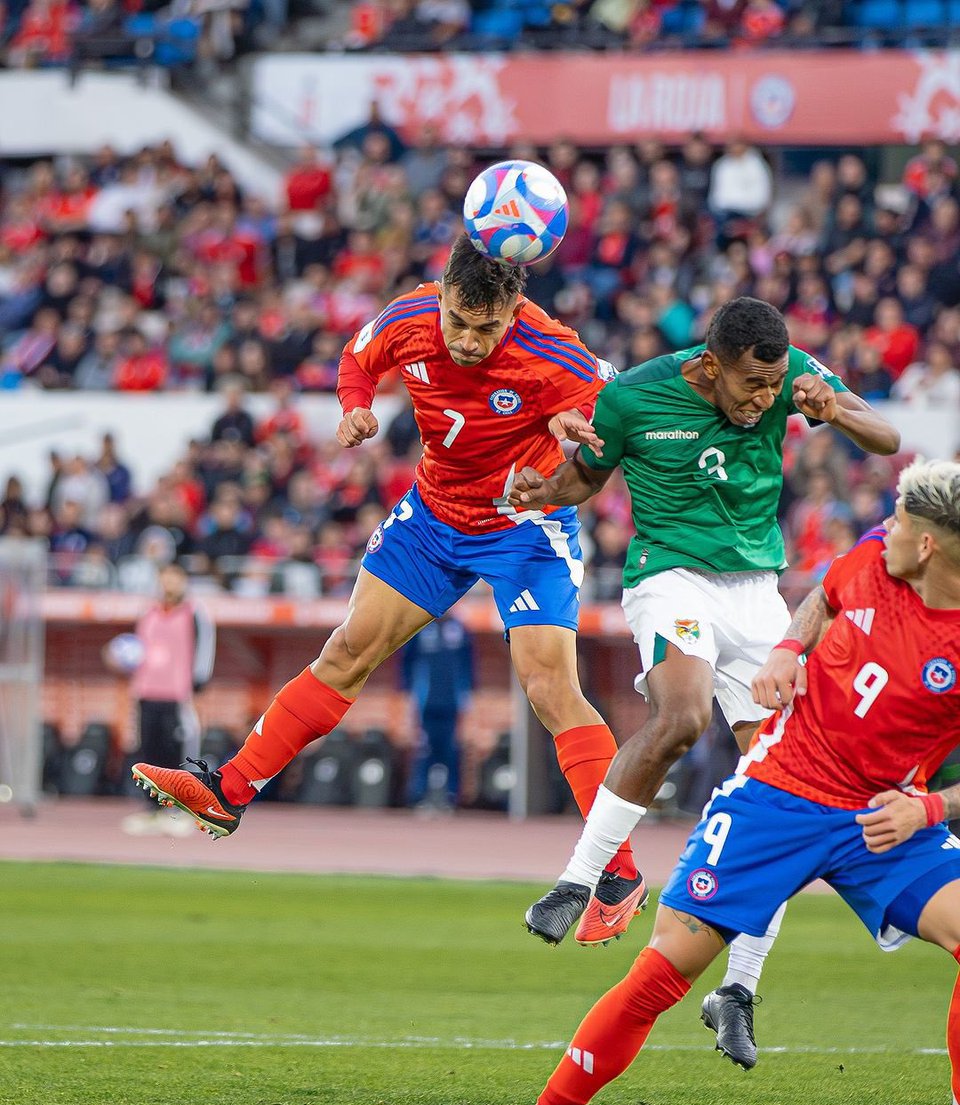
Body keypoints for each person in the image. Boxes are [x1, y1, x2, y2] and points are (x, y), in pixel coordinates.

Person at [445, 459, 960, 1105]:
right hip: (778, 795)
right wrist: (788, 649)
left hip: (886, 815)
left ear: (930, 546)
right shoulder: (881, 551)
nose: (886, 529)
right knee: (663, 972)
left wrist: (930, 808)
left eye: (901, 523)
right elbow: (824, 595)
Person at [131, 234, 647, 943]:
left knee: (550, 688)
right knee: (346, 652)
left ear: (514, 311)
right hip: (432, 516)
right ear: (442, 295)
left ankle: (618, 873)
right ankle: (228, 792)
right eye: (458, 321)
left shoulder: (557, 352)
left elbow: (615, 430)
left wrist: (568, 448)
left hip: (524, 526)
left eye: (487, 329)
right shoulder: (408, 316)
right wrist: (355, 404)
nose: (468, 342)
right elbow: (357, 357)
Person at [516, 296, 899, 1066]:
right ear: (709, 364)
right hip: (671, 580)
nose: (765, 399)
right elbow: (583, 479)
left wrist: (833, 408)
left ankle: (739, 989)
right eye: (752, 384)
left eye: (774, 384)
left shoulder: (792, 376)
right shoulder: (633, 396)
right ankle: (581, 879)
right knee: (683, 718)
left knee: (791, 791)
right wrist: (540, 491)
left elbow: (885, 438)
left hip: (757, 596)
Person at [121, 562, 216, 836]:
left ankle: (181, 810)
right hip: (147, 691)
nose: (169, 583)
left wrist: (197, 681)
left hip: (177, 694)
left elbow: (204, 647)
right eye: (164, 578)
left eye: (174, 578)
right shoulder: (148, 612)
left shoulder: (194, 612)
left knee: (178, 753)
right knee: (148, 753)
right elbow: (137, 648)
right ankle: (152, 808)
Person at [401, 612, 474, 810]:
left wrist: (467, 694)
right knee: (424, 748)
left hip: (451, 701)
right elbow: (407, 662)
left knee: (451, 748)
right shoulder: (421, 627)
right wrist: (408, 693)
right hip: (426, 701)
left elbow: (468, 663)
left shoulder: (459, 629)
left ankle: (451, 795)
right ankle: (419, 794)